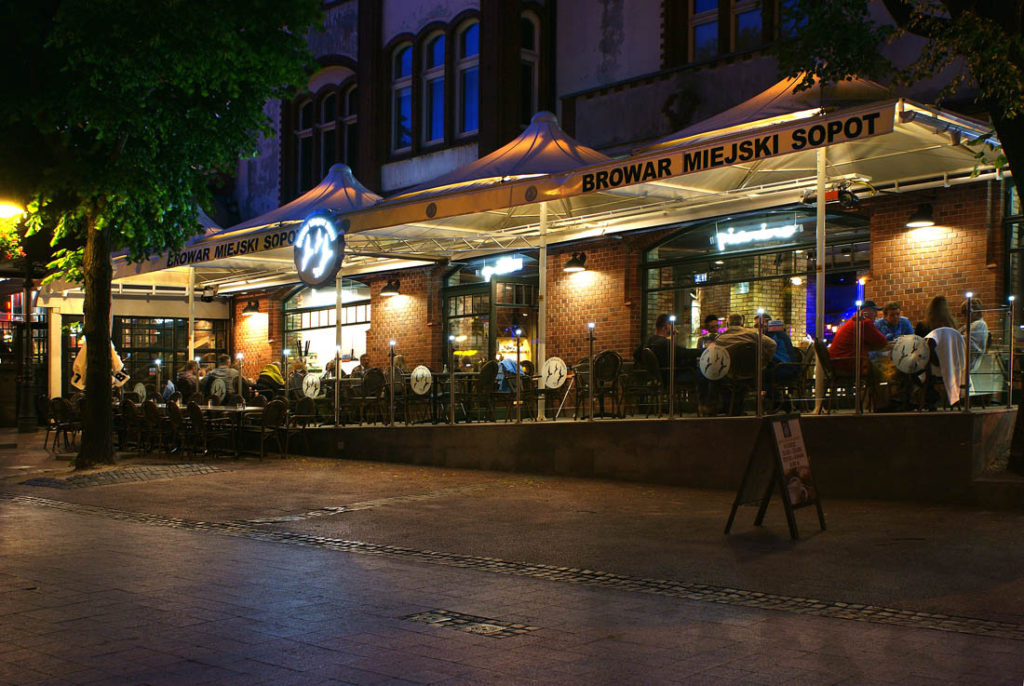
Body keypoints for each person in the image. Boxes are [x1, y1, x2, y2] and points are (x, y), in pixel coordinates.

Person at [708, 313, 777, 414]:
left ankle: (721, 407)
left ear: (727, 324)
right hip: (754, 373)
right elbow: (772, 344)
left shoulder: (720, 339)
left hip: (731, 374)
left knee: (713, 375)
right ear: (742, 324)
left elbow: (716, 357)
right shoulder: (753, 334)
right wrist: (764, 361)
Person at [829, 300, 887, 374]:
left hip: (837, 362)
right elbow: (882, 342)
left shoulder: (853, 321)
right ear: (865, 312)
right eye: (874, 311)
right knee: (883, 369)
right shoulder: (864, 322)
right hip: (848, 362)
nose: (876, 315)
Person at [642, 313, 701, 385]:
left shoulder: (648, 341)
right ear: (666, 326)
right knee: (701, 375)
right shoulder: (665, 343)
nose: (673, 327)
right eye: (672, 325)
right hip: (670, 377)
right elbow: (685, 353)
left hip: (656, 377)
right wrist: (704, 350)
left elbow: (636, 354)